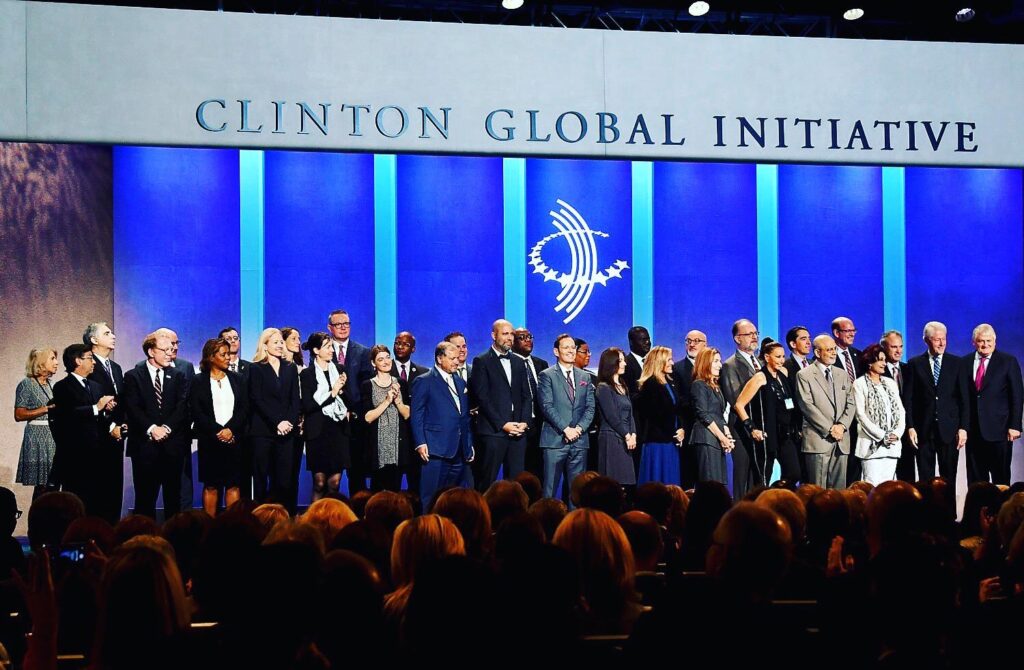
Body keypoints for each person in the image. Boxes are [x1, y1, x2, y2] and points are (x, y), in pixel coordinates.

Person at [122, 333, 189, 519]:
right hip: (145, 446)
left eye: (171, 349)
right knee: (145, 500)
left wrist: (166, 428)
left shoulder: (178, 376)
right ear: (151, 351)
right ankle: (145, 535)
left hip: (172, 446)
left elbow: (182, 406)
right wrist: (152, 429)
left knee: (173, 499)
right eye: (165, 350)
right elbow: (132, 407)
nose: (170, 353)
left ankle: (174, 535)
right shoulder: (133, 376)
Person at [50, 344, 116, 517]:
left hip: (99, 453)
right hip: (76, 455)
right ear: (78, 361)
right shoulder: (62, 387)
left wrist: (107, 411)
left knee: (98, 502)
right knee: (77, 501)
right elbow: (67, 415)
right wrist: (96, 407)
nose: (94, 362)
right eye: (90, 358)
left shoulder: (96, 386)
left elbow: (100, 418)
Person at [410, 342, 475, 510]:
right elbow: (417, 415)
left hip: (459, 450)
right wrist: (420, 442)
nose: (456, 362)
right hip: (435, 449)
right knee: (430, 497)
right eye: (452, 358)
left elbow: (464, 417)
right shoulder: (424, 381)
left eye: (457, 358)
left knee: (453, 499)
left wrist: (468, 443)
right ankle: (428, 526)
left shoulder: (460, 382)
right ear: (440, 358)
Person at [469, 319, 531, 491]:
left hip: (518, 433)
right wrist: (503, 424)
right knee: (486, 483)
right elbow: (483, 398)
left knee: (516, 486)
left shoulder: (519, 362)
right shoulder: (481, 361)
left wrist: (524, 422)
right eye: (505, 334)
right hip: (493, 433)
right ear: (493, 335)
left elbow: (527, 396)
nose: (509, 338)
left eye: (511, 334)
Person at [189, 337, 248, 516]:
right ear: (211, 357)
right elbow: (197, 411)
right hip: (210, 440)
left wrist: (230, 430)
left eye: (229, 354)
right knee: (211, 485)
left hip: (234, 440)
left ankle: (232, 525)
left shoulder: (238, 379)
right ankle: (209, 526)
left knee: (233, 484)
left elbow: (244, 408)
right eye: (223, 354)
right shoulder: (198, 381)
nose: (228, 358)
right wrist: (217, 431)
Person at [904, 321, 968, 482]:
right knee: (925, 480)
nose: (941, 343)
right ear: (926, 340)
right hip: (923, 431)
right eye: (937, 339)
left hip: (949, 431)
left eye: (944, 339)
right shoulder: (915, 364)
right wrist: (910, 426)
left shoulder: (957, 363)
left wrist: (963, 428)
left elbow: (964, 399)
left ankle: (949, 501)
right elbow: (909, 399)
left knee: (949, 479)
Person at [732, 340, 802, 487]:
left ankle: (779, 497)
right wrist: (752, 428)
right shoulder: (760, 378)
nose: (781, 360)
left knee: (794, 473)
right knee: (763, 478)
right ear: (767, 357)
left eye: (783, 356)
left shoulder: (783, 373)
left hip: (785, 434)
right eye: (778, 357)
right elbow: (739, 405)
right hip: (767, 435)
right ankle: (762, 500)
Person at [963, 323, 1023, 484]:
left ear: (995, 341)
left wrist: (1015, 425)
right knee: (976, 481)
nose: (985, 344)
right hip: (974, 432)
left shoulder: (1008, 362)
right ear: (974, 342)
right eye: (981, 341)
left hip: (1000, 431)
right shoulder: (965, 362)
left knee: (1001, 479)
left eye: (989, 341)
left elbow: (1017, 395)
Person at [537, 334, 596, 501]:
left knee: (577, 492)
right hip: (555, 441)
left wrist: (579, 429)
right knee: (550, 491)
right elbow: (546, 406)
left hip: (579, 441)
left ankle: (573, 518)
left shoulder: (585, 376)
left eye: (573, 348)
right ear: (556, 351)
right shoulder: (547, 375)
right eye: (566, 347)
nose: (571, 351)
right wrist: (565, 429)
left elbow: (590, 407)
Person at [248, 327, 301, 509]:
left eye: (281, 342)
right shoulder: (255, 368)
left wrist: (289, 422)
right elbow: (257, 399)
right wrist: (277, 422)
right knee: (261, 480)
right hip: (263, 431)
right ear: (265, 345)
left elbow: (295, 399)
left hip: (286, 432)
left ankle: (282, 517)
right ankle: (261, 517)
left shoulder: (290, 367)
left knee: (284, 481)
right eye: (275, 342)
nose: (280, 345)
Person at [795, 334, 856, 488]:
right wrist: (830, 429)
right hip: (819, 440)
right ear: (817, 352)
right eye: (829, 350)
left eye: (834, 349)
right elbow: (807, 406)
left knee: (839, 491)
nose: (834, 353)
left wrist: (841, 426)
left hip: (841, 440)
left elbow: (851, 403)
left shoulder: (842, 374)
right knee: (818, 490)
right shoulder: (804, 375)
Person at [300, 332, 351, 502]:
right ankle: (314, 516)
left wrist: (341, 392)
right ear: (316, 350)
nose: (332, 350)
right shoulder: (307, 374)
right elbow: (308, 405)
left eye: (331, 347)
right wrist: (333, 392)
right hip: (317, 432)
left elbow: (349, 400)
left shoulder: (340, 370)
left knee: (334, 483)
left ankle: (332, 515)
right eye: (327, 347)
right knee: (320, 483)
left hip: (338, 431)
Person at [84, 321, 126, 523]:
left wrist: (121, 425)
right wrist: (110, 426)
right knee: (97, 490)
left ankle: (113, 529)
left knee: (114, 487)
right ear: (94, 339)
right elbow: (89, 400)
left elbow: (121, 399)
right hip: (97, 436)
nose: (113, 336)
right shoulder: (88, 366)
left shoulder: (116, 368)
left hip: (117, 436)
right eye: (107, 333)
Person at [327, 310, 372, 493]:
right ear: (330, 327)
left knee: (357, 474)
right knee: (331, 477)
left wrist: (354, 412)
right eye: (338, 324)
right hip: (330, 420)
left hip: (356, 421)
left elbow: (366, 389)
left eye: (346, 323)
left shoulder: (363, 352)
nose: (343, 327)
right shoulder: (322, 351)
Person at [362, 344, 413, 492]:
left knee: (395, 489)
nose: (386, 362)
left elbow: (407, 414)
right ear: (373, 363)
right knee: (377, 491)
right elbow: (368, 417)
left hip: (397, 446)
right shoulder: (367, 385)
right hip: (377, 447)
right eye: (380, 359)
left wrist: (397, 401)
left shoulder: (401, 383)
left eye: (387, 357)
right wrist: (387, 400)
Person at [853, 344, 906, 485]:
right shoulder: (859, 384)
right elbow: (860, 415)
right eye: (880, 360)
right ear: (869, 362)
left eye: (885, 360)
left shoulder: (890, 383)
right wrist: (882, 436)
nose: (884, 363)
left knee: (889, 488)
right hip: (871, 447)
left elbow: (901, 411)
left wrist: (897, 433)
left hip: (892, 446)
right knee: (873, 488)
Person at [721, 318, 761, 499]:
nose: (754, 337)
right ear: (737, 339)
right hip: (742, 428)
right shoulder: (730, 365)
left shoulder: (760, 362)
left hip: (760, 427)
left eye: (755, 333)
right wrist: (750, 424)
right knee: (742, 476)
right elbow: (735, 398)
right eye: (749, 334)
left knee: (757, 476)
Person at [635, 346, 685, 486]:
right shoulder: (651, 384)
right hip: (657, 443)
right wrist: (674, 432)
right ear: (659, 362)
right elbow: (656, 415)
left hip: (670, 442)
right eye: (669, 360)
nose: (672, 363)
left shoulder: (669, 382)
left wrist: (681, 429)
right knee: (657, 483)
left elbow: (676, 410)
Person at [14, 348, 59, 501]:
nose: (56, 363)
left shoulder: (51, 385)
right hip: (37, 437)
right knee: (42, 486)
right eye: (52, 359)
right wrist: (45, 409)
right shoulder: (26, 384)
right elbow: (19, 414)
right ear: (41, 362)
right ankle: (38, 515)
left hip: (53, 436)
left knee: (53, 484)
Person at [690, 348, 734, 485]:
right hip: (706, 438)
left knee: (719, 482)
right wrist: (722, 438)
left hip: (717, 439)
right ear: (705, 363)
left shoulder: (716, 386)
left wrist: (728, 436)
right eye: (715, 361)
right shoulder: (699, 385)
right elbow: (703, 414)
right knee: (710, 482)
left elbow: (719, 414)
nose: (720, 365)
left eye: (719, 361)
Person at [594, 347, 637, 486]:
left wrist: (633, 434)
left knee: (626, 481)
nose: (625, 364)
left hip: (626, 439)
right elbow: (611, 416)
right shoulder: (603, 388)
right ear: (611, 363)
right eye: (621, 361)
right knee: (612, 481)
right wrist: (627, 435)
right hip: (611, 438)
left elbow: (630, 414)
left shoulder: (623, 386)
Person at [512, 327, 549, 478]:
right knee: (518, 471)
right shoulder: (508, 364)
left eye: (529, 337)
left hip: (540, 425)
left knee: (539, 470)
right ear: (512, 342)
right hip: (518, 425)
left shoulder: (542, 364)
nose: (527, 340)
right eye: (522, 337)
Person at [672, 330, 706, 489]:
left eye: (697, 341)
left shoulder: (713, 367)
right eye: (689, 341)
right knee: (688, 470)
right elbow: (677, 400)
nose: (692, 344)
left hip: (709, 428)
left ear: (705, 344)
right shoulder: (676, 368)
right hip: (688, 427)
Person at [880, 329, 915, 482]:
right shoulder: (876, 372)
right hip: (884, 434)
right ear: (883, 348)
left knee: (907, 478)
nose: (899, 351)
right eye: (894, 347)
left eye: (901, 346)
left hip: (906, 433)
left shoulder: (909, 369)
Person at [622, 325, 651, 396]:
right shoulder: (625, 365)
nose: (647, 342)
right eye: (643, 339)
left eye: (648, 339)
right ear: (631, 342)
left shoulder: (653, 362)